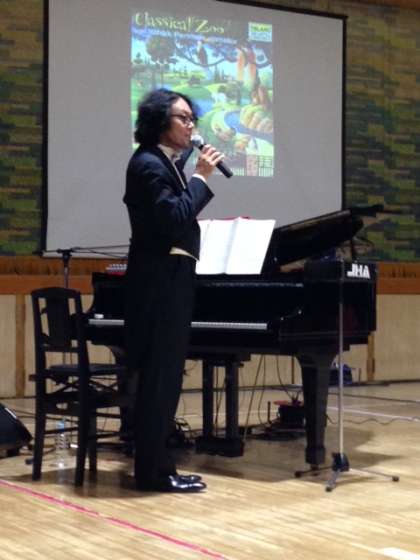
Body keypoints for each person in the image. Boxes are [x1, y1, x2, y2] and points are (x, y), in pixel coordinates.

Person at [123, 89, 223, 493]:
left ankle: (162, 468)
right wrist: (200, 177)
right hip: (160, 282)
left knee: (165, 379)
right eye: (183, 118)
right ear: (159, 121)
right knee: (159, 379)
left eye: (192, 118)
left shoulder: (164, 161)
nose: (191, 125)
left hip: (171, 277)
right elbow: (173, 218)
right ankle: (152, 473)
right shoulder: (148, 164)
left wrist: (190, 172)